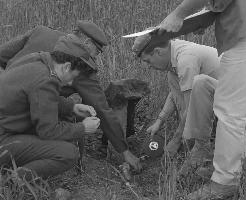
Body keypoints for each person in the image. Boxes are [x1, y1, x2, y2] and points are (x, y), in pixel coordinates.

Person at [158, 0, 246, 198]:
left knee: (229, 108)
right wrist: (208, 15)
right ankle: (230, 170)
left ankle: (224, 183)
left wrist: (178, 14)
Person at [0, 21, 141, 171]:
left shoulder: (39, 47)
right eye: (98, 52)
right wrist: (123, 151)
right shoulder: (77, 66)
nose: (96, 57)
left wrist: (71, 106)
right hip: (8, 132)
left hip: (12, 113)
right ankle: (14, 183)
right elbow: (102, 110)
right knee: (67, 151)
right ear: (87, 43)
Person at [0, 35, 101, 179]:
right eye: (73, 77)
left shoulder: (37, 59)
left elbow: (38, 98)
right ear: (66, 66)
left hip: (6, 125)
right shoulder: (46, 81)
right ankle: (13, 182)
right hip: (4, 140)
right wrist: (83, 128)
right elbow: (48, 131)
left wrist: (71, 107)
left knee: (63, 130)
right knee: (68, 154)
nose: (71, 83)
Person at [132, 35, 220, 157]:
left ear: (158, 51)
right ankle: (191, 136)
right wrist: (159, 121)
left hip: (230, 101)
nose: (148, 66)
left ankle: (203, 145)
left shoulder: (185, 60)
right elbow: (175, 94)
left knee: (189, 105)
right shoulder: (173, 58)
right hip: (213, 96)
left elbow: (191, 107)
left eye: (147, 60)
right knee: (172, 78)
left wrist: (175, 141)